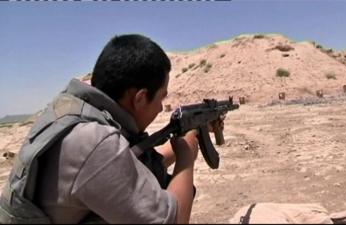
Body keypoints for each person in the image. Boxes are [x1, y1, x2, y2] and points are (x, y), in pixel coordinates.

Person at [0, 34, 219, 224]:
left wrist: (194, 136)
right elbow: (173, 219)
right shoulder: (95, 142)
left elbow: (127, 165)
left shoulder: (78, 117)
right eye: (161, 98)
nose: (161, 107)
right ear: (140, 98)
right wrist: (186, 158)